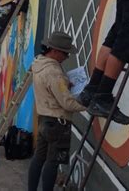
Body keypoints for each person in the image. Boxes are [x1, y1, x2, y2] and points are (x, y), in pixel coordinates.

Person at [28, 31, 86, 191]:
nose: (67, 56)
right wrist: (86, 105)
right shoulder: (54, 71)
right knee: (52, 162)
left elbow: (52, 90)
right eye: (65, 53)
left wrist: (64, 86)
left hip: (44, 119)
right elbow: (67, 103)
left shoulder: (38, 64)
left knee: (39, 158)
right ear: (54, 51)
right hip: (57, 122)